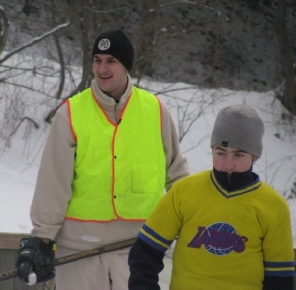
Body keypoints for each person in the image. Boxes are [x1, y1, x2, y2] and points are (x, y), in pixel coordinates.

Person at [15, 29, 190, 289]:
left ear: (126, 66)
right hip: (78, 250)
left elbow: (177, 175)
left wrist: (192, 219)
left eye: (111, 61)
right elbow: (53, 182)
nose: (102, 68)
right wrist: (42, 238)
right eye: (97, 60)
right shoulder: (71, 113)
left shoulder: (155, 110)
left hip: (141, 249)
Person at [128, 104, 295, 290]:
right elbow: (144, 253)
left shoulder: (273, 207)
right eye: (220, 153)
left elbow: (280, 278)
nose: (228, 164)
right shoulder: (184, 192)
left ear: (255, 156)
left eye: (238, 155)